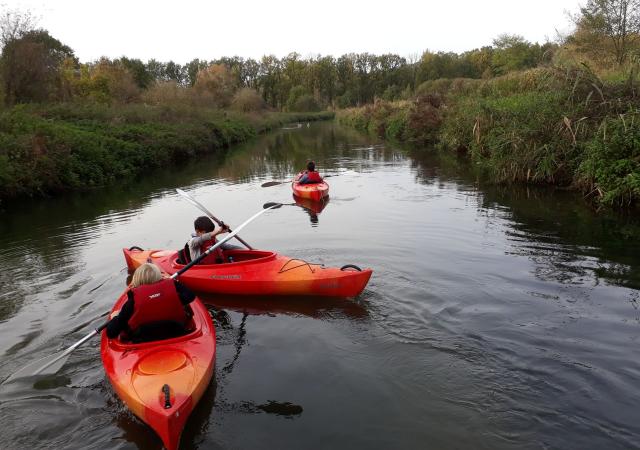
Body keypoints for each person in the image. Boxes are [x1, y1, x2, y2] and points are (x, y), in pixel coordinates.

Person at [106, 263, 196, 342]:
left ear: (136, 280)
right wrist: (172, 282)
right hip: (177, 335)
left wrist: (115, 317)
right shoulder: (173, 294)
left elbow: (111, 333)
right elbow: (191, 295)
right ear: (160, 278)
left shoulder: (132, 302)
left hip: (142, 341)